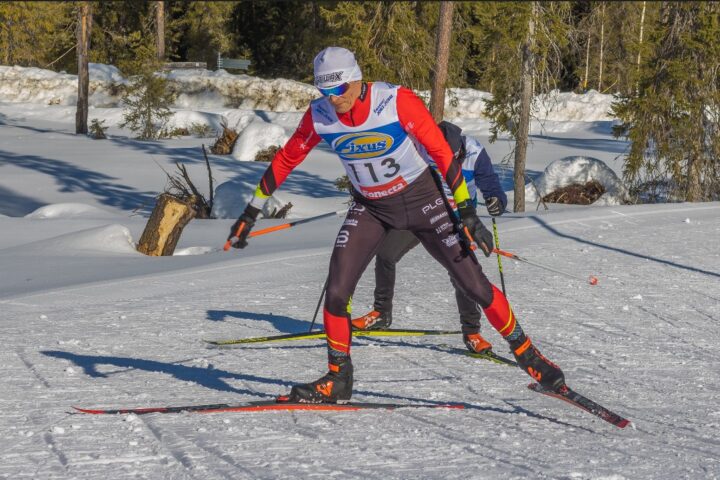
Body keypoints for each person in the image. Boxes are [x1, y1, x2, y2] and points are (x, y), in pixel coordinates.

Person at [227, 46, 565, 403]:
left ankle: (529, 356)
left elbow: (441, 152)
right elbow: (287, 158)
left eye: (339, 90)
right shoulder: (319, 115)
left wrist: (466, 210)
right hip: (371, 208)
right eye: (324, 92)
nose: (333, 100)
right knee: (337, 290)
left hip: (423, 200)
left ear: (356, 80)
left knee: (474, 285)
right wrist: (252, 211)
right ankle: (339, 378)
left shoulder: (394, 101)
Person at [351, 121, 507, 356]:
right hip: (421, 212)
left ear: (460, 149)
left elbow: (490, 183)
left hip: (457, 218)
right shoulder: (420, 147)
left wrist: (497, 200)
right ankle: (381, 313)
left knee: (461, 274)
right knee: (385, 253)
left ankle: (472, 332)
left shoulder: (475, 152)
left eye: (451, 156)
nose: (445, 161)